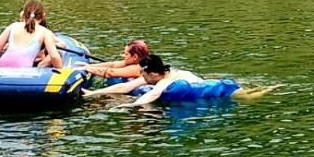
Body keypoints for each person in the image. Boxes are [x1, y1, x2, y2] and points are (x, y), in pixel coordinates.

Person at [83, 54, 278, 106]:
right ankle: (272, 86)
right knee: (249, 93)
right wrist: (94, 93)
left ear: (152, 73)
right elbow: (126, 86)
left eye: (143, 73)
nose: (140, 76)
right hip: (217, 85)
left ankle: (274, 89)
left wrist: (127, 107)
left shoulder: (167, 81)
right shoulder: (160, 75)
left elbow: (152, 95)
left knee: (249, 98)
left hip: (220, 90)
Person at [0, 0, 63, 69]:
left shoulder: (13, 26)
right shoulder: (44, 31)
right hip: (23, 69)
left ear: (23, 14)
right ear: (43, 16)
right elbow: (54, 56)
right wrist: (61, 71)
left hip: (2, 65)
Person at [84, 40, 152, 80]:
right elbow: (112, 65)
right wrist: (90, 66)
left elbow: (110, 73)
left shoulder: (138, 68)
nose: (123, 56)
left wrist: (87, 69)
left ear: (135, 57)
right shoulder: (134, 61)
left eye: (126, 54)